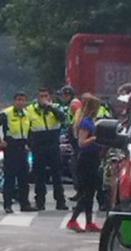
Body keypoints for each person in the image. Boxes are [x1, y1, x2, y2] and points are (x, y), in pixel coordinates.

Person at [26, 88, 69, 211]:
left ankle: (60, 201)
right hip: (38, 146)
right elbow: (26, 127)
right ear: (37, 98)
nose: (43, 99)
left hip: (53, 145)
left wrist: (51, 108)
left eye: (46, 96)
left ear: (50, 97)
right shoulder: (30, 110)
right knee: (39, 176)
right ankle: (40, 202)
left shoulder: (56, 107)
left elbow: (63, 118)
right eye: (41, 96)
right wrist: (30, 144)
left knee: (57, 175)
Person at [66, 94, 103, 233]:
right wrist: (95, 138)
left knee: (91, 192)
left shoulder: (90, 121)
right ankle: (73, 220)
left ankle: (89, 222)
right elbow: (82, 142)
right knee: (86, 193)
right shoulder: (85, 122)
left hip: (92, 158)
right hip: (86, 159)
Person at [0, 92, 33, 214]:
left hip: (23, 147)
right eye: (18, 100)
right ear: (14, 101)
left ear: (26, 102)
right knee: (10, 178)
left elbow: (30, 130)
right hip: (11, 147)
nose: (20, 102)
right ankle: (8, 204)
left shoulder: (27, 114)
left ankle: (24, 204)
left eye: (23, 100)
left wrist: (30, 144)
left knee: (24, 178)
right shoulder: (6, 113)